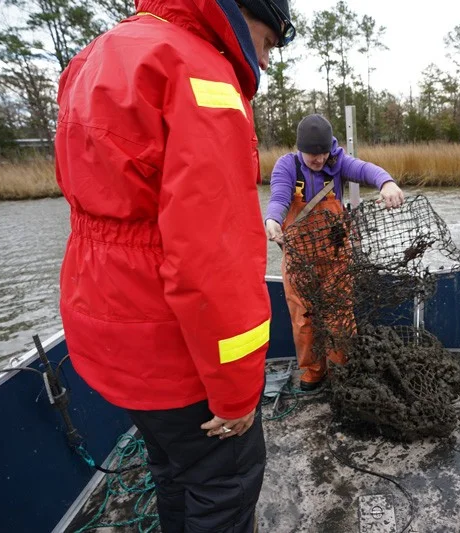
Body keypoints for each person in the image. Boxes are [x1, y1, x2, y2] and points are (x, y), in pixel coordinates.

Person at [54, 1, 295, 531]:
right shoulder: (201, 75)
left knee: (169, 469)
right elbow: (213, 261)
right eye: (270, 42)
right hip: (176, 359)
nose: (267, 60)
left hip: (111, 346)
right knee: (223, 484)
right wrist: (235, 395)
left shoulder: (95, 56)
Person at [264, 114, 404, 390]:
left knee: (340, 316)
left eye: (322, 153)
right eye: (311, 154)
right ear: (299, 148)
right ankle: (313, 371)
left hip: (336, 257)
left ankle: (341, 371)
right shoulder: (286, 166)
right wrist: (272, 220)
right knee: (304, 318)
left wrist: (387, 183)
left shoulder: (338, 161)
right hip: (298, 260)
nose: (317, 159)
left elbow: (366, 170)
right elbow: (280, 197)